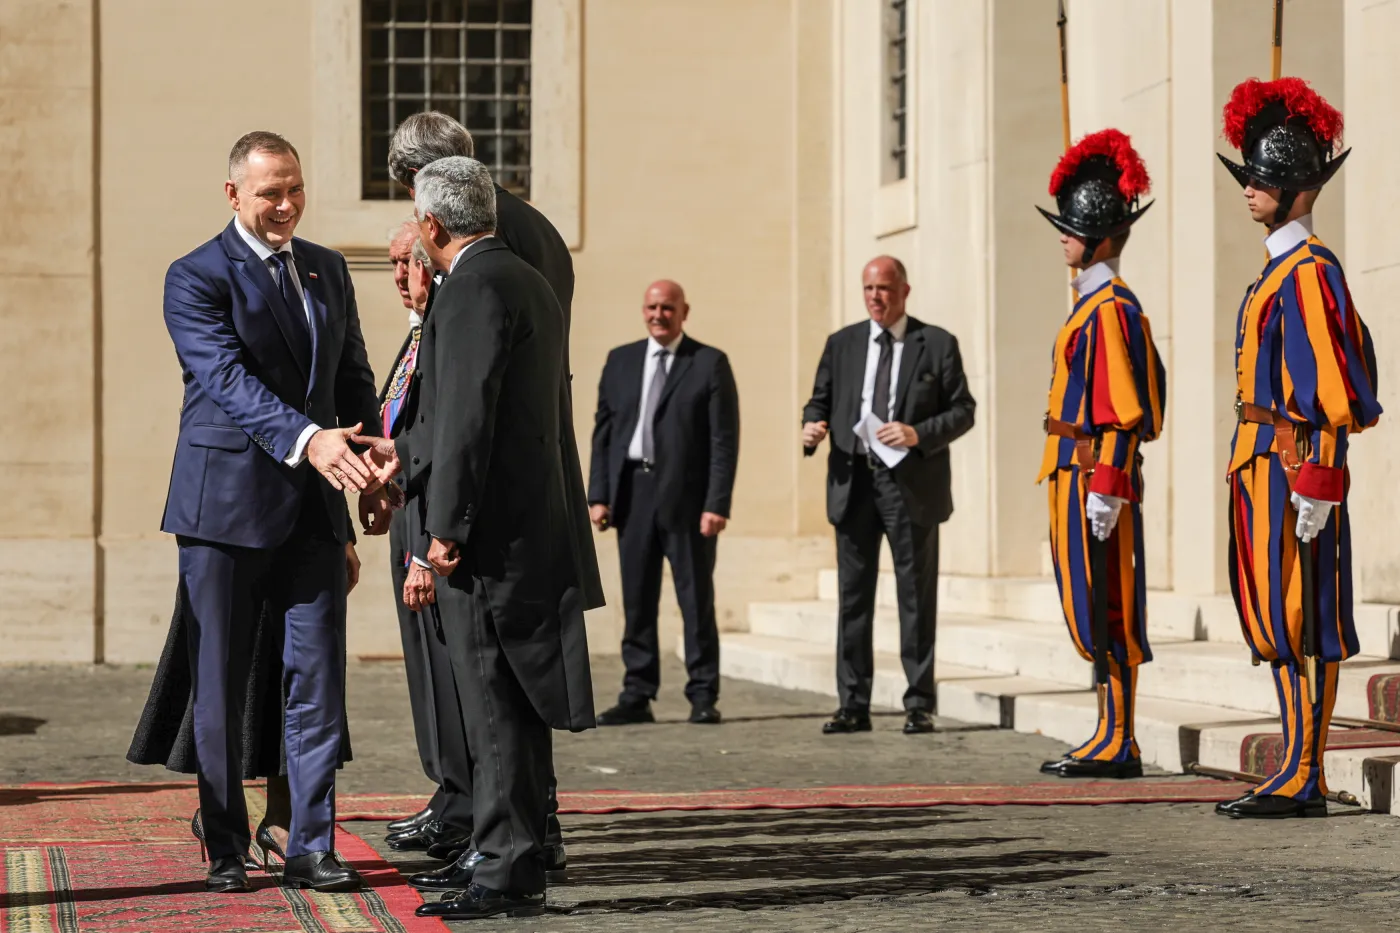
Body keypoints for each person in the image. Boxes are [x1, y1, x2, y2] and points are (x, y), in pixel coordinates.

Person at [358, 157, 594, 921]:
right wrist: (407, 452)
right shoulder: (528, 279)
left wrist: (439, 539)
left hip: (487, 546)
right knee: (512, 714)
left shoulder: (468, 290)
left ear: (431, 225)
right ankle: (510, 855)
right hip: (528, 533)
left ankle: (505, 866)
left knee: (491, 711)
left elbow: (467, 426)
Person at [159, 131, 393, 893]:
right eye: (270, 192)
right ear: (234, 195)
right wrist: (310, 438)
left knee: (318, 682)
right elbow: (225, 379)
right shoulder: (194, 276)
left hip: (314, 513)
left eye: (295, 188)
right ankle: (226, 842)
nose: (286, 204)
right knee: (221, 687)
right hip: (222, 511)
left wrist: (378, 463)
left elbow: (352, 377)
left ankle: (310, 842)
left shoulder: (326, 268)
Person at [1212, 77, 1381, 819]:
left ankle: (1306, 769)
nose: (1250, 189)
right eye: (1250, 177)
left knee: (1306, 612)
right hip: (1260, 463)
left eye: (1264, 179)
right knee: (1275, 615)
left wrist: (1319, 479)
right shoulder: (1275, 272)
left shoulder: (1311, 272)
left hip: (1292, 467)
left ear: (1297, 190)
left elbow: (1335, 388)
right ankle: (1292, 759)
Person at [1032, 129, 1166, 779]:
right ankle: (1108, 729)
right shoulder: (1092, 304)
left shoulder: (1110, 308)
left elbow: (1124, 408)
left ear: (1100, 238)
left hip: (1093, 473)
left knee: (1110, 604)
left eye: (1072, 227)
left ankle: (1122, 737)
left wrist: (1106, 483)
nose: (1062, 236)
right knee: (1090, 605)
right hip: (1073, 469)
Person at [800, 257, 975, 735]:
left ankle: (919, 702)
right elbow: (820, 399)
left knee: (915, 597)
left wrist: (918, 433)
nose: (875, 297)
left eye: (884, 289)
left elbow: (964, 410)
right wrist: (812, 426)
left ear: (904, 290)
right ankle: (852, 703)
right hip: (853, 481)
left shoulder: (936, 343)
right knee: (853, 598)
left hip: (909, 485)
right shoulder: (843, 344)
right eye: (868, 289)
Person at [587, 280, 740, 726]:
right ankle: (637, 692)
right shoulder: (621, 360)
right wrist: (599, 495)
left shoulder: (709, 363)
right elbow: (604, 434)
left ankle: (703, 693)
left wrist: (717, 503)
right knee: (636, 599)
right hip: (632, 495)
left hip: (689, 502)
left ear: (684, 311)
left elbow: (723, 442)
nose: (659, 315)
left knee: (695, 600)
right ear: (643, 310)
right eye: (652, 307)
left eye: (668, 308)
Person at [378, 224, 474, 861]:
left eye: (406, 261)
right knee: (424, 666)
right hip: (407, 510)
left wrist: (421, 548)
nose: (398, 275)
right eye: (390, 262)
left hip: (434, 522)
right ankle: (448, 790)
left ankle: (465, 802)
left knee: (450, 668)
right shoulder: (415, 335)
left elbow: (444, 440)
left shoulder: (444, 332)